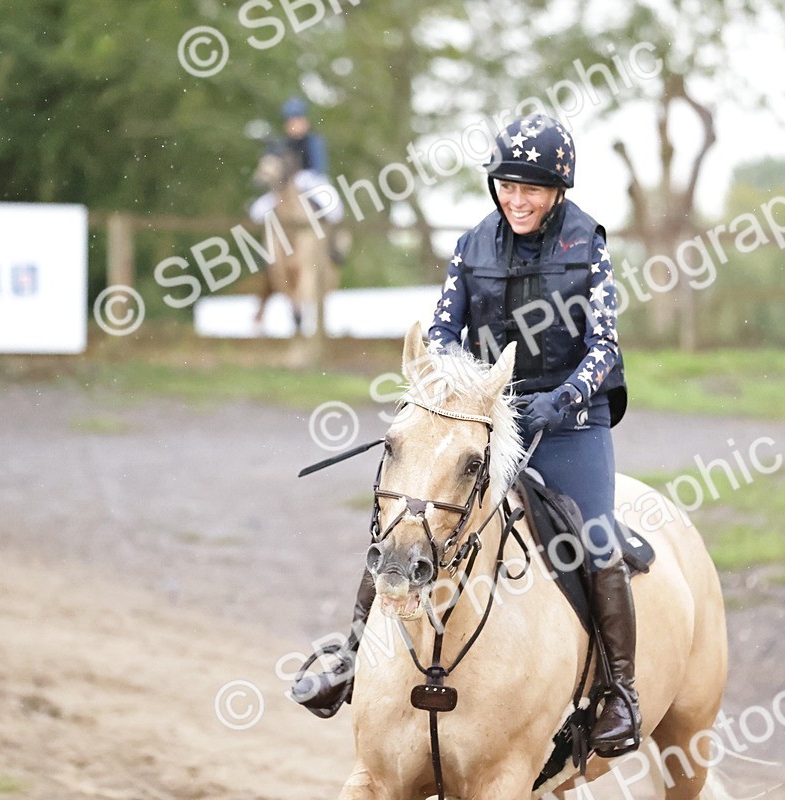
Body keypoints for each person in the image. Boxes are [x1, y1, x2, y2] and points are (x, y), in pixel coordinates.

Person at [291, 114, 638, 757]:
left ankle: (621, 692)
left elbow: (605, 346)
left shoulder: (587, 244)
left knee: (595, 537)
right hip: (484, 413)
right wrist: (460, 387)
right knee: (408, 510)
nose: (517, 198)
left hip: (569, 421)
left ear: (558, 190)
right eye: (506, 184)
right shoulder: (471, 245)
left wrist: (561, 399)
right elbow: (444, 330)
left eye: (531, 188)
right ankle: (351, 655)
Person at [249, 96, 345, 230]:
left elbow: (318, 168)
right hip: (287, 187)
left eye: (297, 120)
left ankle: (335, 241)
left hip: (313, 182)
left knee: (334, 209)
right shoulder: (283, 144)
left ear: (305, 121)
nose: (294, 125)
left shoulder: (314, 141)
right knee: (257, 211)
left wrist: (302, 177)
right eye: (291, 121)